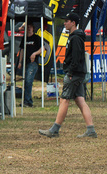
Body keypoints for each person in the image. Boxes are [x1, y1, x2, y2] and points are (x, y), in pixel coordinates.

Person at [38, 11, 97, 139]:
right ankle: (91, 129)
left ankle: (54, 129)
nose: (64, 23)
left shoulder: (75, 38)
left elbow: (76, 58)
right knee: (80, 100)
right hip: (78, 73)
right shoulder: (76, 37)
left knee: (64, 99)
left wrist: (70, 72)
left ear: (73, 23)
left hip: (74, 74)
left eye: (67, 21)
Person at [20, 21, 42, 108]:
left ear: (33, 28)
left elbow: (42, 48)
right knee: (26, 82)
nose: (29, 28)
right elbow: (21, 50)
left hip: (33, 63)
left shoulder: (37, 38)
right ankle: (27, 101)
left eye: (30, 27)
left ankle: (28, 101)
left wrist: (34, 54)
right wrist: (20, 62)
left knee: (28, 81)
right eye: (27, 27)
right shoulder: (24, 38)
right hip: (25, 62)